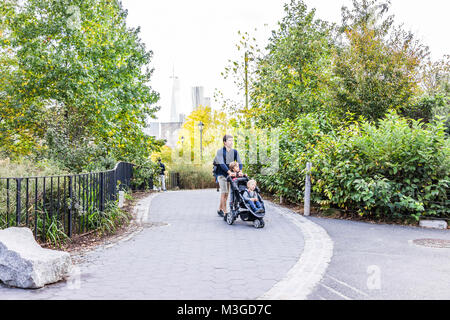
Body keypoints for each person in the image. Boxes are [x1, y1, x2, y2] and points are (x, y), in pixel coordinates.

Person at [214, 134, 242, 217]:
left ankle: (219, 209)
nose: (231, 142)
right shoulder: (220, 152)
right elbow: (221, 163)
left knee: (226, 193)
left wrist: (240, 170)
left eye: (232, 140)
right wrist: (229, 171)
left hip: (229, 176)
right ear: (224, 142)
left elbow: (239, 162)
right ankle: (225, 212)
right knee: (224, 192)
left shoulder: (235, 152)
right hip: (221, 174)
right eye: (229, 140)